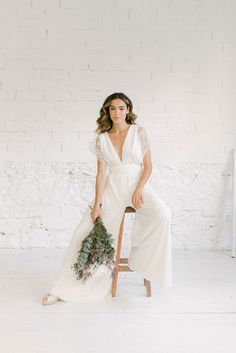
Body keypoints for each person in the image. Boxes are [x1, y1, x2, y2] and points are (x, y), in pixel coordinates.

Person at [42, 92, 172, 305]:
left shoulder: (139, 132)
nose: (117, 112)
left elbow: (148, 166)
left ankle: (142, 259)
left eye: (121, 108)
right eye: (113, 108)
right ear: (107, 111)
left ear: (128, 110)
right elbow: (101, 174)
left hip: (137, 185)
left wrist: (138, 189)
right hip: (113, 188)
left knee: (163, 213)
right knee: (85, 230)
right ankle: (62, 289)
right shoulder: (102, 140)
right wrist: (97, 204)